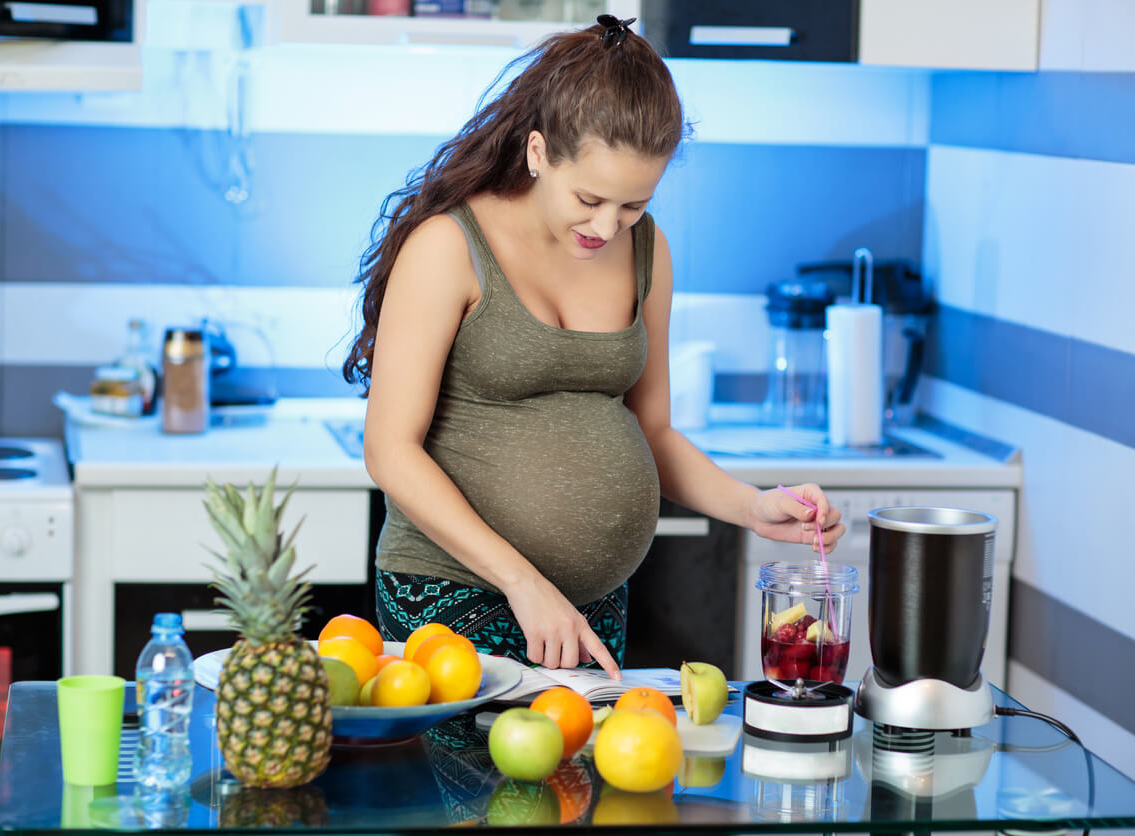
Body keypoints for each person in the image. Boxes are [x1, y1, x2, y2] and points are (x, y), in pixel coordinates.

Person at [343, 16, 845, 680]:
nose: (608, 226)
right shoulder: (447, 247)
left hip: (587, 608)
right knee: (476, 785)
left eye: (633, 204)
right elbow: (390, 450)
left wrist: (752, 505)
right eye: (590, 198)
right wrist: (525, 583)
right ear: (537, 153)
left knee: (570, 782)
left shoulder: (646, 249)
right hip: (452, 597)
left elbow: (653, 430)